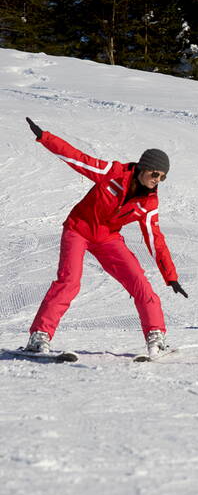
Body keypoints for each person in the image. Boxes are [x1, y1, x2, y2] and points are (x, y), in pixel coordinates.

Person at [22, 117, 188, 356]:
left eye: (163, 177)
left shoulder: (149, 202)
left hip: (107, 238)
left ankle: (156, 337)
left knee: (139, 283)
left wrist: (170, 275)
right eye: (154, 174)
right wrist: (45, 137)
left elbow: (155, 239)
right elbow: (78, 159)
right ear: (142, 168)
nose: (157, 181)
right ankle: (39, 337)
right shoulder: (112, 173)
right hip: (78, 229)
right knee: (69, 282)